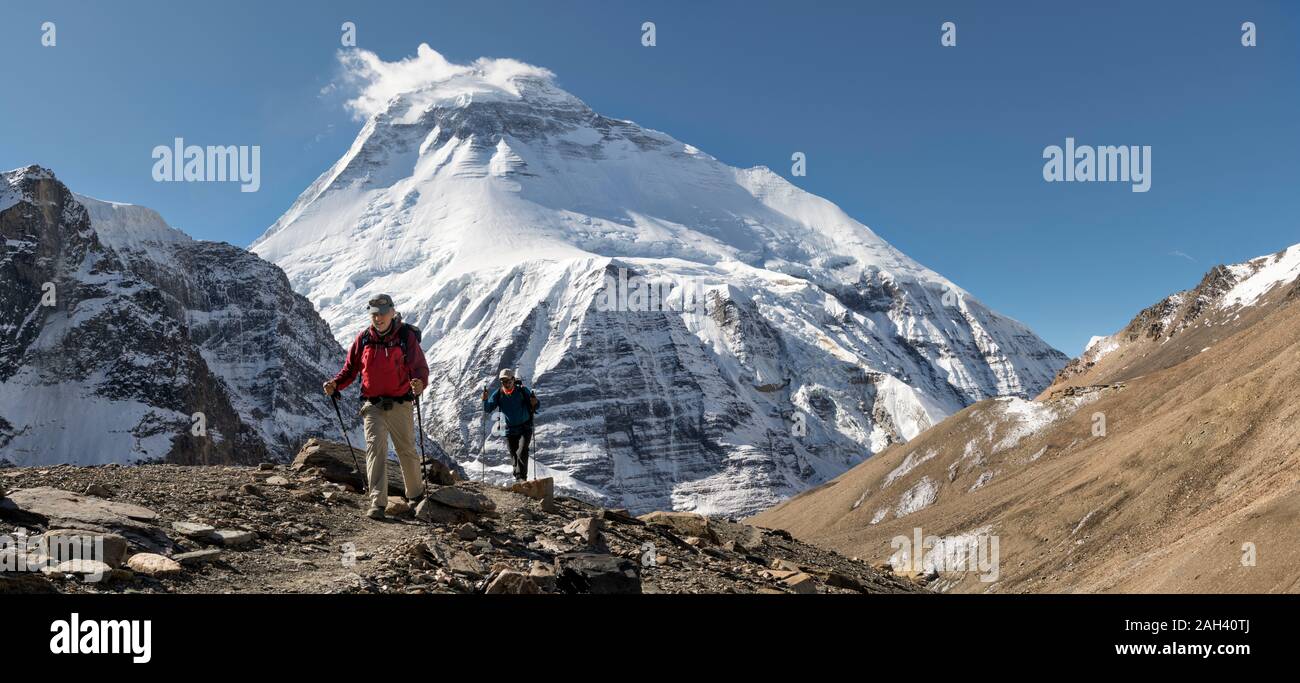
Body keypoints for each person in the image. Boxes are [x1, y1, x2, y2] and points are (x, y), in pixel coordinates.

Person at [323, 294, 428, 520]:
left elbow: (419, 367)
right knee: (375, 450)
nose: (378, 318)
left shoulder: (405, 337)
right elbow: (350, 369)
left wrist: (419, 383)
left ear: (392, 312)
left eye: (382, 313)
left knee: (406, 449)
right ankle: (377, 503)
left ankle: (416, 497)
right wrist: (335, 384)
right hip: (372, 405)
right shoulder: (363, 339)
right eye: (374, 314)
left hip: (401, 402)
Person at [481, 368, 540, 481]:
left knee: (522, 451)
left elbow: (535, 406)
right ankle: (518, 477)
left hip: (525, 427)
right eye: (503, 382)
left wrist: (535, 402)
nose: (506, 384)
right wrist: (485, 400)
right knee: (514, 454)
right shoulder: (499, 394)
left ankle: (521, 478)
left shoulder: (522, 391)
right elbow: (488, 408)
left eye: (508, 381)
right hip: (507, 429)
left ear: (513, 380)